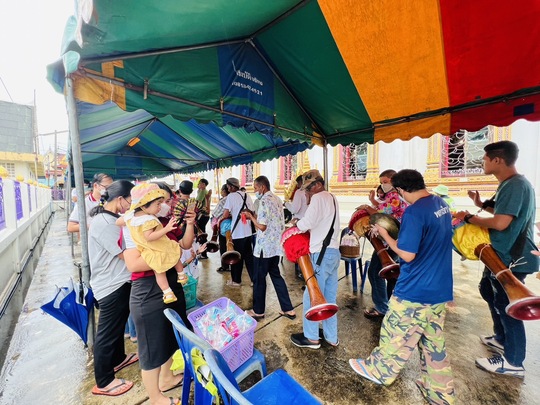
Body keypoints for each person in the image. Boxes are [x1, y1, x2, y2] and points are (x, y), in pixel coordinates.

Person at [349, 169, 455, 405]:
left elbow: (407, 254)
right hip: (439, 289)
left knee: (394, 333)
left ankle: (379, 370)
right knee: (433, 344)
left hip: (416, 289)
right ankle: (439, 392)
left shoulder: (415, 212)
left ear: (401, 189)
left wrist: (384, 234)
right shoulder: (440, 203)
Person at [454, 140, 538, 378]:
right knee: (487, 290)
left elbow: (501, 223)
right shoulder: (510, 184)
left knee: (507, 304)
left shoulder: (516, 185)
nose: (482, 163)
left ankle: (513, 362)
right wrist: (480, 204)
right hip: (499, 254)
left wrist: (469, 217)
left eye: (485, 159)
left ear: (497, 160)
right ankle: (501, 338)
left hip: (513, 256)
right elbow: (504, 213)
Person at [124, 183, 196, 405]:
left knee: (169, 335)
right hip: (149, 290)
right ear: (145, 203)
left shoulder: (163, 222)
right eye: (162, 201)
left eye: (168, 200)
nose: (167, 204)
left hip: (171, 285)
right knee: (152, 345)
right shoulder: (134, 226)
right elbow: (133, 264)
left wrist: (190, 223)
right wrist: (168, 254)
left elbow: (185, 244)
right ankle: (155, 397)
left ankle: (167, 378)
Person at [87, 180, 138, 397]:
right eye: (130, 201)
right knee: (107, 334)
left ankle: (118, 359)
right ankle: (104, 381)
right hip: (111, 285)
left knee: (117, 327)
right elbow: (125, 255)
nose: (131, 205)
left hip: (118, 281)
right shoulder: (106, 223)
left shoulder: (110, 218)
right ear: (120, 199)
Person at [289, 169, 340, 349]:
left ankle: (311, 338)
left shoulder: (318, 198)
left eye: (309, 189)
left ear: (318, 185)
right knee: (329, 298)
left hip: (321, 254)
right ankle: (331, 337)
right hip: (333, 252)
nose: (308, 193)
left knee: (312, 295)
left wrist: (296, 224)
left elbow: (307, 223)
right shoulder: (332, 197)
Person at [356, 169, 407, 319]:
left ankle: (382, 307)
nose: (383, 185)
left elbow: (381, 214)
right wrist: (372, 201)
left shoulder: (395, 195)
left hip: (391, 239)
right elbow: (383, 207)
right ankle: (391, 304)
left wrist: (366, 207)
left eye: (385, 182)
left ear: (393, 180)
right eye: (381, 182)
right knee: (391, 273)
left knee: (375, 272)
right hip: (397, 239)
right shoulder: (396, 194)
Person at [243, 176, 296, 320]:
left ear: (262, 187)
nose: (255, 191)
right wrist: (254, 216)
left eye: (255, 188)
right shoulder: (277, 199)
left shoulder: (264, 201)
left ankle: (258, 311)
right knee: (276, 276)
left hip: (264, 249)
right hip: (275, 247)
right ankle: (288, 309)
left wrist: (250, 217)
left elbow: (262, 226)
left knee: (259, 280)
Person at [125, 183, 188, 304]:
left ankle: (167, 292)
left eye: (165, 202)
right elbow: (149, 237)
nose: (162, 207)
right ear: (144, 205)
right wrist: (166, 229)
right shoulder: (148, 220)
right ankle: (181, 275)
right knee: (174, 251)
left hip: (149, 252)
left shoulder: (131, 218)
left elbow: (120, 221)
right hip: (156, 249)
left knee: (159, 272)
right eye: (158, 204)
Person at [222, 177, 255, 286]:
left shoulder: (231, 196)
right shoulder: (247, 195)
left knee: (236, 257)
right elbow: (253, 212)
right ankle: (254, 280)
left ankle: (236, 281)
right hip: (248, 231)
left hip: (237, 232)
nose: (227, 188)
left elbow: (225, 214)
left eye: (228, 186)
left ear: (231, 186)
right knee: (249, 257)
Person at [284, 174, 309, 279]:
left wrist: (286, 204)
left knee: (299, 249)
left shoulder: (299, 192)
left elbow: (294, 209)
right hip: (309, 223)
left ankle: (301, 270)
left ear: (299, 183)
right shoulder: (312, 192)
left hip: (300, 223)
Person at [212, 184, 231, 272]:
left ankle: (225, 266)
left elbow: (215, 214)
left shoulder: (224, 200)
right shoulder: (237, 198)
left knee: (223, 245)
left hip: (224, 226)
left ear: (224, 191)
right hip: (236, 226)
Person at [195, 178, 212, 259]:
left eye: (200, 183)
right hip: (205, 216)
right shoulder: (203, 191)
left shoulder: (203, 191)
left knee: (201, 235)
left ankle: (203, 253)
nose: (199, 185)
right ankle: (204, 253)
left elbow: (197, 202)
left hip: (202, 215)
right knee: (202, 234)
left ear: (204, 184)